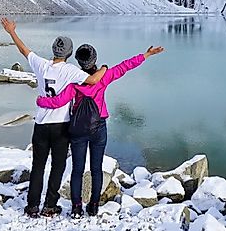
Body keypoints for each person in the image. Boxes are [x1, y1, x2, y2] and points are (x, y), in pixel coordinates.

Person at [37, 43, 164, 218]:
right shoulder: (104, 76)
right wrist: (146, 55)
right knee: (96, 169)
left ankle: (76, 207)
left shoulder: (75, 80)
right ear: (94, 59)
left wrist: (41, 102)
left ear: (79, 62)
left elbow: (59, 101)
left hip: (78, 130)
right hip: (99, 128)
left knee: (77, 170)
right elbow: (126, 66)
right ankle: (94, 205)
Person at [1, 17, 106, 218]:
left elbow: (24, 50)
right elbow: (93, 80)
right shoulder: (70, 70)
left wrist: (12, 31)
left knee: (38, 166)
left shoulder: (40, 65)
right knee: (58, 166)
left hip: (41, 124)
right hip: (61, 126)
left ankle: (32, 206)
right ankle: (50, 205)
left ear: (54, 50)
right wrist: (104, 68)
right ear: (68, 53)